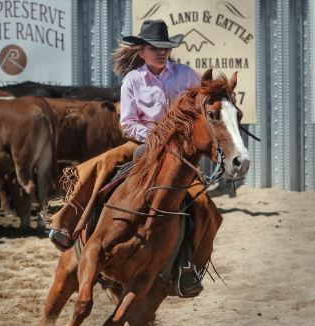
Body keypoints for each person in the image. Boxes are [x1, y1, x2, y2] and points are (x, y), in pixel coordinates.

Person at [48, 20, 222, 297]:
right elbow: (127, 123)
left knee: (202, 204)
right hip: (142, 143)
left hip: (181, 153)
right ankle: (68, 222)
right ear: (142, 51)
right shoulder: (133, 80)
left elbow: (202, 111)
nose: (161, 52)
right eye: (155, 48)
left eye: (165, 47)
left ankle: (187, 265)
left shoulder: (187, 75)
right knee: (103, 165)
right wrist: (154, 136)